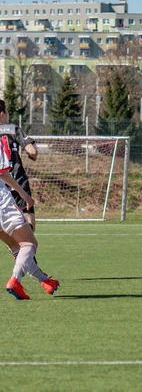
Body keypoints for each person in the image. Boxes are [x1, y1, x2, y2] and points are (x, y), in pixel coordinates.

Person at [0, 100, 59, 299]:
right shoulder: (8, 132)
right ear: (2, 114)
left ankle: (44, 280)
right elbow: (4, 173)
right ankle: (15, 280)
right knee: (29, 243)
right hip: (5, 197)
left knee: (16, 245)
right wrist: (25, 195)